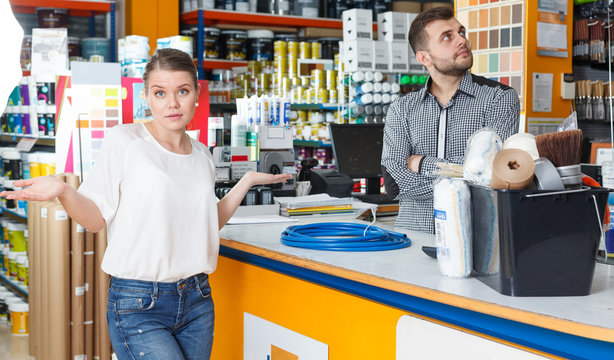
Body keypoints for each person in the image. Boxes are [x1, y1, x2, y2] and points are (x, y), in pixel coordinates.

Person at [0, 48, 292, 360]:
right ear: (146, 97)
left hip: (197, 300)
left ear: (196, 94)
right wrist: (63, 191)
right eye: (160, 92)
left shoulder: (202, 155)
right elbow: (97, 220)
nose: (172, 103)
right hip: (138, 302)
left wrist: (244, 182)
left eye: (182, 91)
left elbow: (207, 221)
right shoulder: (125, 141)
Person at [381, 6, 520, 233]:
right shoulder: (402, 108)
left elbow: (493, 172)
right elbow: (394, 182)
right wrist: (466, 172)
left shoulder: (500, 98)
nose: (461, 40)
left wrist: (422, 163)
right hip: (413, 237)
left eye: (461, 32)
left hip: (476, 238)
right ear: (424, 57)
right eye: (447, 37)